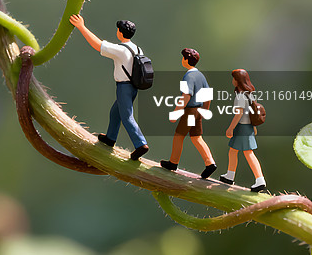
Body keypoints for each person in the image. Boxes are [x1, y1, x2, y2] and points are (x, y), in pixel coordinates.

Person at [69, 14, 149, 161]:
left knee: (127, 116)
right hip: (133, 86)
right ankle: (111, 138)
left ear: (120, 32)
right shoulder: (137, 49)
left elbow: (98, 45)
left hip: (124, 86)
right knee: (115, 112)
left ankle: (140, 143)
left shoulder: (122, 49)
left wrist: (81, 27)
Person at [160, 48, 217, 179]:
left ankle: (173, 162)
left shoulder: (189, 76)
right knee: (196, 137)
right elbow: (208, 95)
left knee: (178, 136)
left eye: (183, 58)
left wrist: (176, 112)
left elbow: (186, 96)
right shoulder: (200, 75)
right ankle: (210, 163)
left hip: (190, 111)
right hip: (198, 110)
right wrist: (205, 110)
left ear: (186, 60)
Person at [220, 69, 266, 192]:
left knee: (247, 153)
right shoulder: (250, 95)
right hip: (248, 127)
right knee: (234, 151)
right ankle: (230, 175)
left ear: (237, 80)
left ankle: (259, 179)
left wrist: (231, 128)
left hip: (242, 128)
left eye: (234, 78)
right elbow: (252, 113)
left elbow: (239, 114)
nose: (232, 81)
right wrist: (254, 126)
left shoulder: (240, 96)